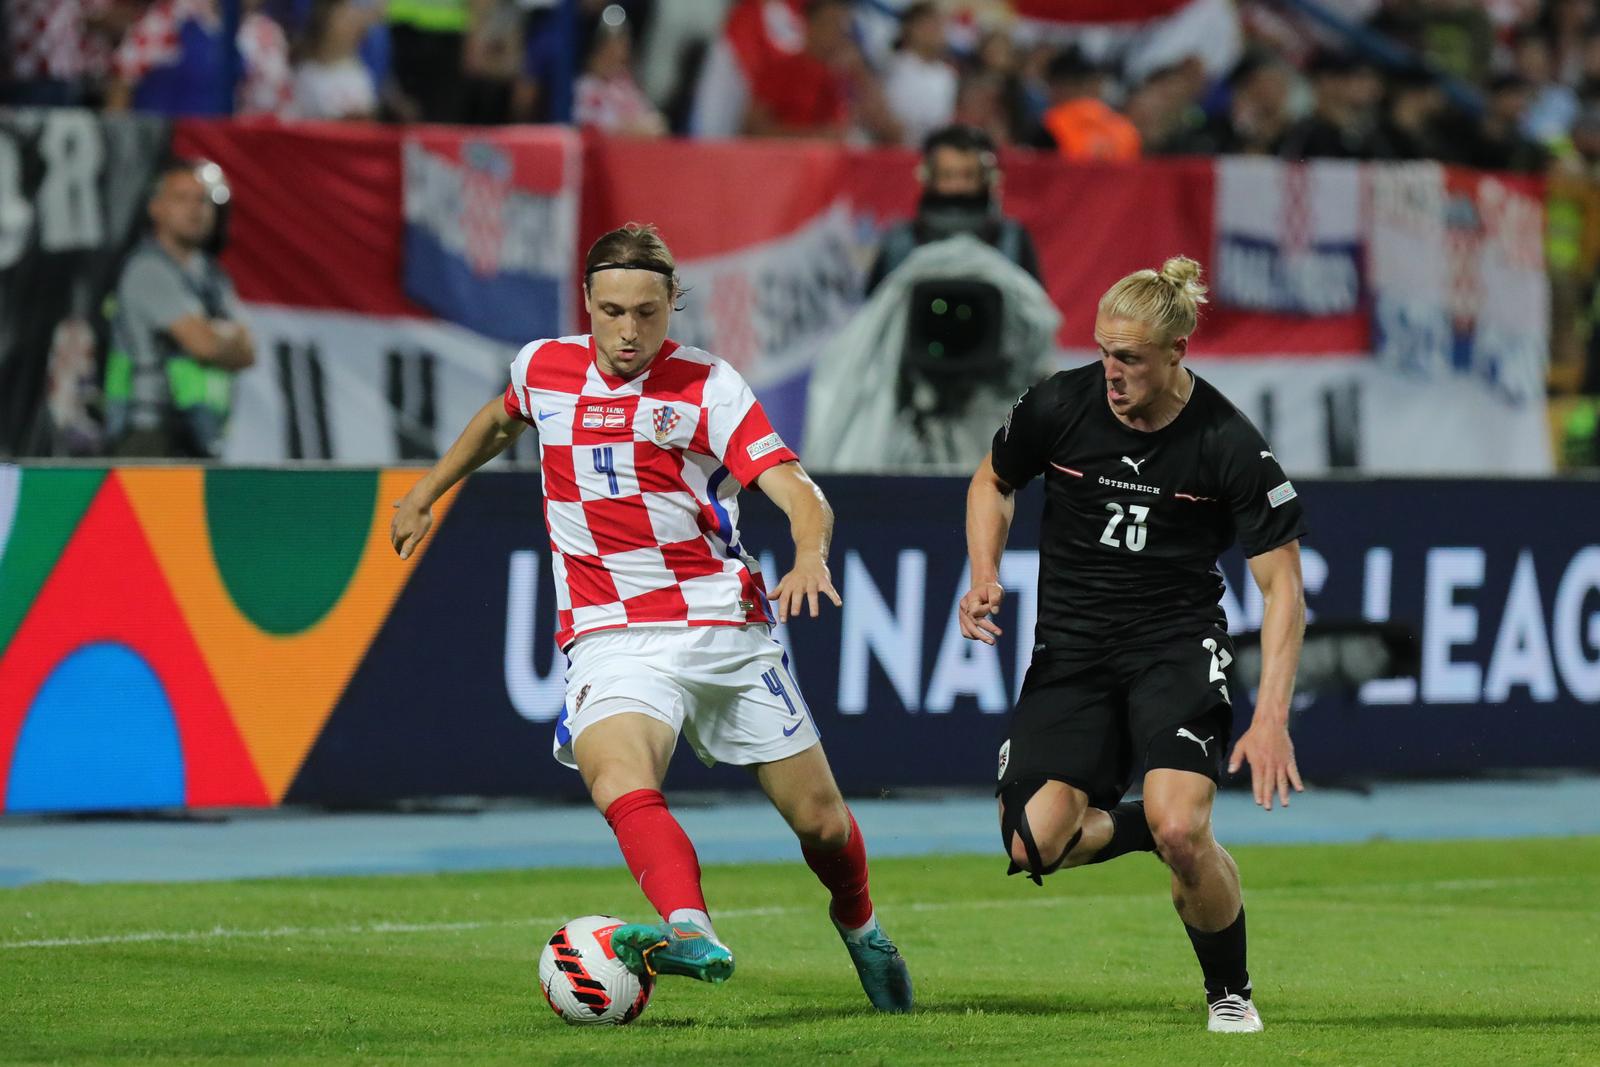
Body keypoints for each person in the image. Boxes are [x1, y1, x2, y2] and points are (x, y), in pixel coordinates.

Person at [389, 223, 914, 1013]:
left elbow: (798, 490)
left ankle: (861, 922)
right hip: (608, 631)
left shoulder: (709, 386)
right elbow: (502, 418)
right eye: (611, 311)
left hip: (721, 627)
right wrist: (426, 491)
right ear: (587, 304)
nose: (628, 331)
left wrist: (811, 554)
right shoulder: (543, 367)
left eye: (646, 311)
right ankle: (689, 926)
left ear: (674, 303)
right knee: (617, 776)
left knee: (824, 824)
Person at [958, 256, 1307, 1034]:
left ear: (1178, 350)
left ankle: (1229, 990)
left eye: (1131, 359)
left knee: (1188, 831)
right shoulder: (1059, 403)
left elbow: (1283, 588)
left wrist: (1272, 714)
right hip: (1072, 651)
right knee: (1032, 846)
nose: (1111, 372)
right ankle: (1149, 820)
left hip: (1174, 647)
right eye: (1105, 352)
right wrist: (984, 573)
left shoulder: (1227, 442)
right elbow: (992, 478)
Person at [105, 160, 255, 459]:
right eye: (181, 198)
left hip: (201, 433)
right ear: (156, 208)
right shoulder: (147, 269)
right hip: (149, 433)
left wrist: (214, 338)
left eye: (203, 200)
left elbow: (249, 352)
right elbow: (204, 345)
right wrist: (222, 337)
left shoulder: (213, 277)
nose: (194, 209)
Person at [865, 124, 1042, 295]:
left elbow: (1033, 310)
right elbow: (877, 310)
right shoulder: (900, 241)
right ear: (927, 175)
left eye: (968, 175)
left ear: (989, 178)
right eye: (947, 175)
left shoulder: (1012, 238)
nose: (957, 186)